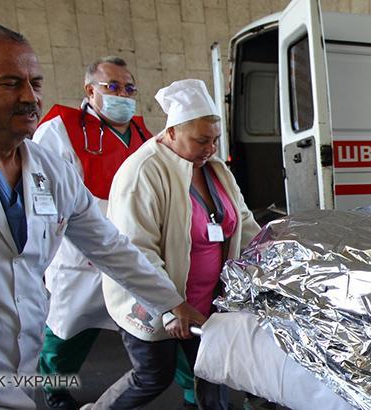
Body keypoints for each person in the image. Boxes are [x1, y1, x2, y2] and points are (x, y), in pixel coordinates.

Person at [0, 21, 204, 409]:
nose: (30, 97)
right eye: (10, 83)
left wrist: (171, 301)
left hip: (16, 365)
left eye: (36, 83)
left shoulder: (47, 167)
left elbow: (109, 245)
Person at [90, 79, 261, 409]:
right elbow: (135, 249)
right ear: (170, 133)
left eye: (214, 140)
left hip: (208, 301)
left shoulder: (214, 169)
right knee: (153, 376)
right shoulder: (143, 171)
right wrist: (170, 304)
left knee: (213, 371)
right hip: (154, 300)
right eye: (200, 140)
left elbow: (244, 221)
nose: (210, 148)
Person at [32, 56, 152, 409]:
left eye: (129, 88)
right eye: (112, 87)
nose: (123, 94)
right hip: (79, 252)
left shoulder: (145, 134)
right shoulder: (58, 130)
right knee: (69, 328)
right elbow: (47, 194)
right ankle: (55, 388)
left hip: (131, 249)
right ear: (89, 90)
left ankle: (191, 392)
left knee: (156, 325)